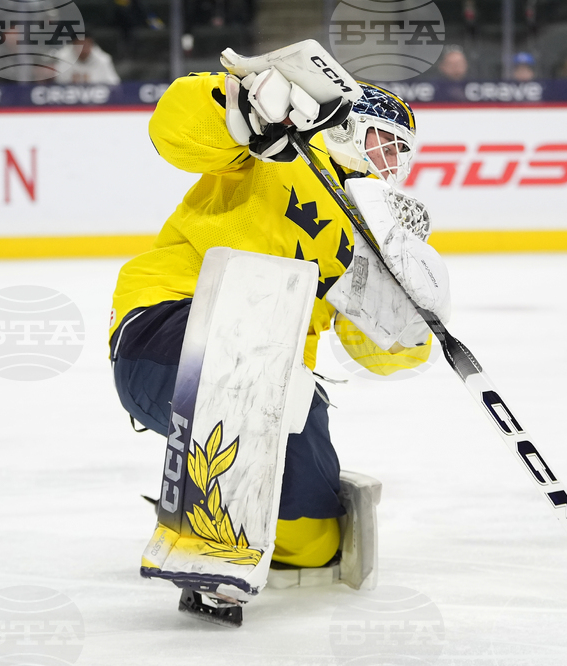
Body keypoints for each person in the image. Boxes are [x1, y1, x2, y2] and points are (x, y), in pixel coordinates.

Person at [109, 53, 448, 619]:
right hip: (173, 325)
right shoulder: (276, 148)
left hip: (280, 380)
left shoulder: (373, 233)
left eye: (401, 155)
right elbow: (174, 129)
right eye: (381, 141)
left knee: (313, 542)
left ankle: (217, 505)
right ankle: (206, 516)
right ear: (341, 125)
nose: (389, 163)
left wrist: (410, 321)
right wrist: (238, 104)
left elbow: (376, 353)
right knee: (247, 367)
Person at [53, 36, 121, 84]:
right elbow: (54, 84)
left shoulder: (103, 59)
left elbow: (114, 84)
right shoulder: (61, 57)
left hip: (96, 101)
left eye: (86, 45)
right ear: (73, 44)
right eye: (80, 44)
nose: (83, 48)